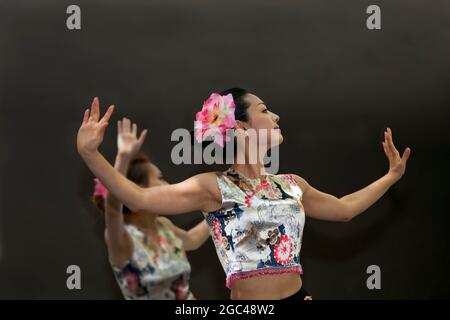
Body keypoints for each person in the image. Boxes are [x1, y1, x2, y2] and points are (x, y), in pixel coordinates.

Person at [77, 88, 411, 300]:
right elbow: (139, 199)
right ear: (241, 126)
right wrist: (92, 154)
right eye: (265, 110)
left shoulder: (291, 184)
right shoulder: (212, 187)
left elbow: (345, 209)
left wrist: (391, 176)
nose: (276, 116)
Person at [92, 117, 210, 300]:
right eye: (160, 178)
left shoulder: (164, 226)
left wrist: (222, 208)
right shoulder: (122, 237)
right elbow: (113, 208)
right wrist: (123, 157)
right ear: (139, 188)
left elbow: (193, 240)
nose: (167, 183)